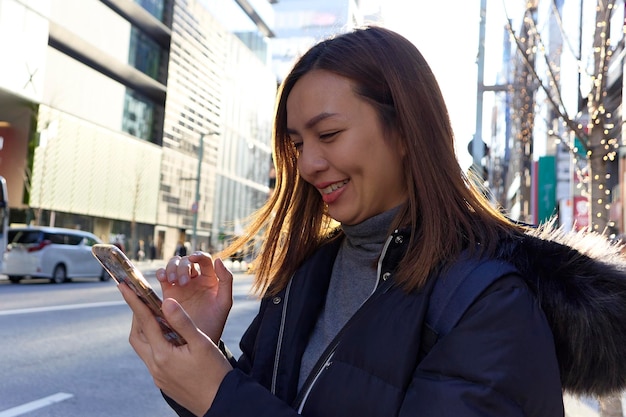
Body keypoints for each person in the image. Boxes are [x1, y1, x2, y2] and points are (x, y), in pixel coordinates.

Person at [118, 26, 626, 416]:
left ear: (406, 129)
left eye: (330, 134)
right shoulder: (310, 271)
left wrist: (218, 394)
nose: (308, 163)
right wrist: (202, 351)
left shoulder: (492, 301)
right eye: (297, 144)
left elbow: (233, 404)